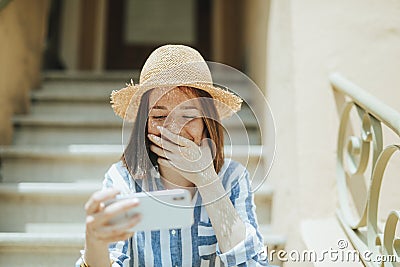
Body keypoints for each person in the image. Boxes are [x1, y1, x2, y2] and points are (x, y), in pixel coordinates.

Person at [76, 45, 270, 267]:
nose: (174, 129)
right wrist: (95, 242)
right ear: (144, 124)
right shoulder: (123, 180)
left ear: (208, 123)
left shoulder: (233, 178)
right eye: (159, 116)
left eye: (188, 115)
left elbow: (252, 264)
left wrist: (206, 179)